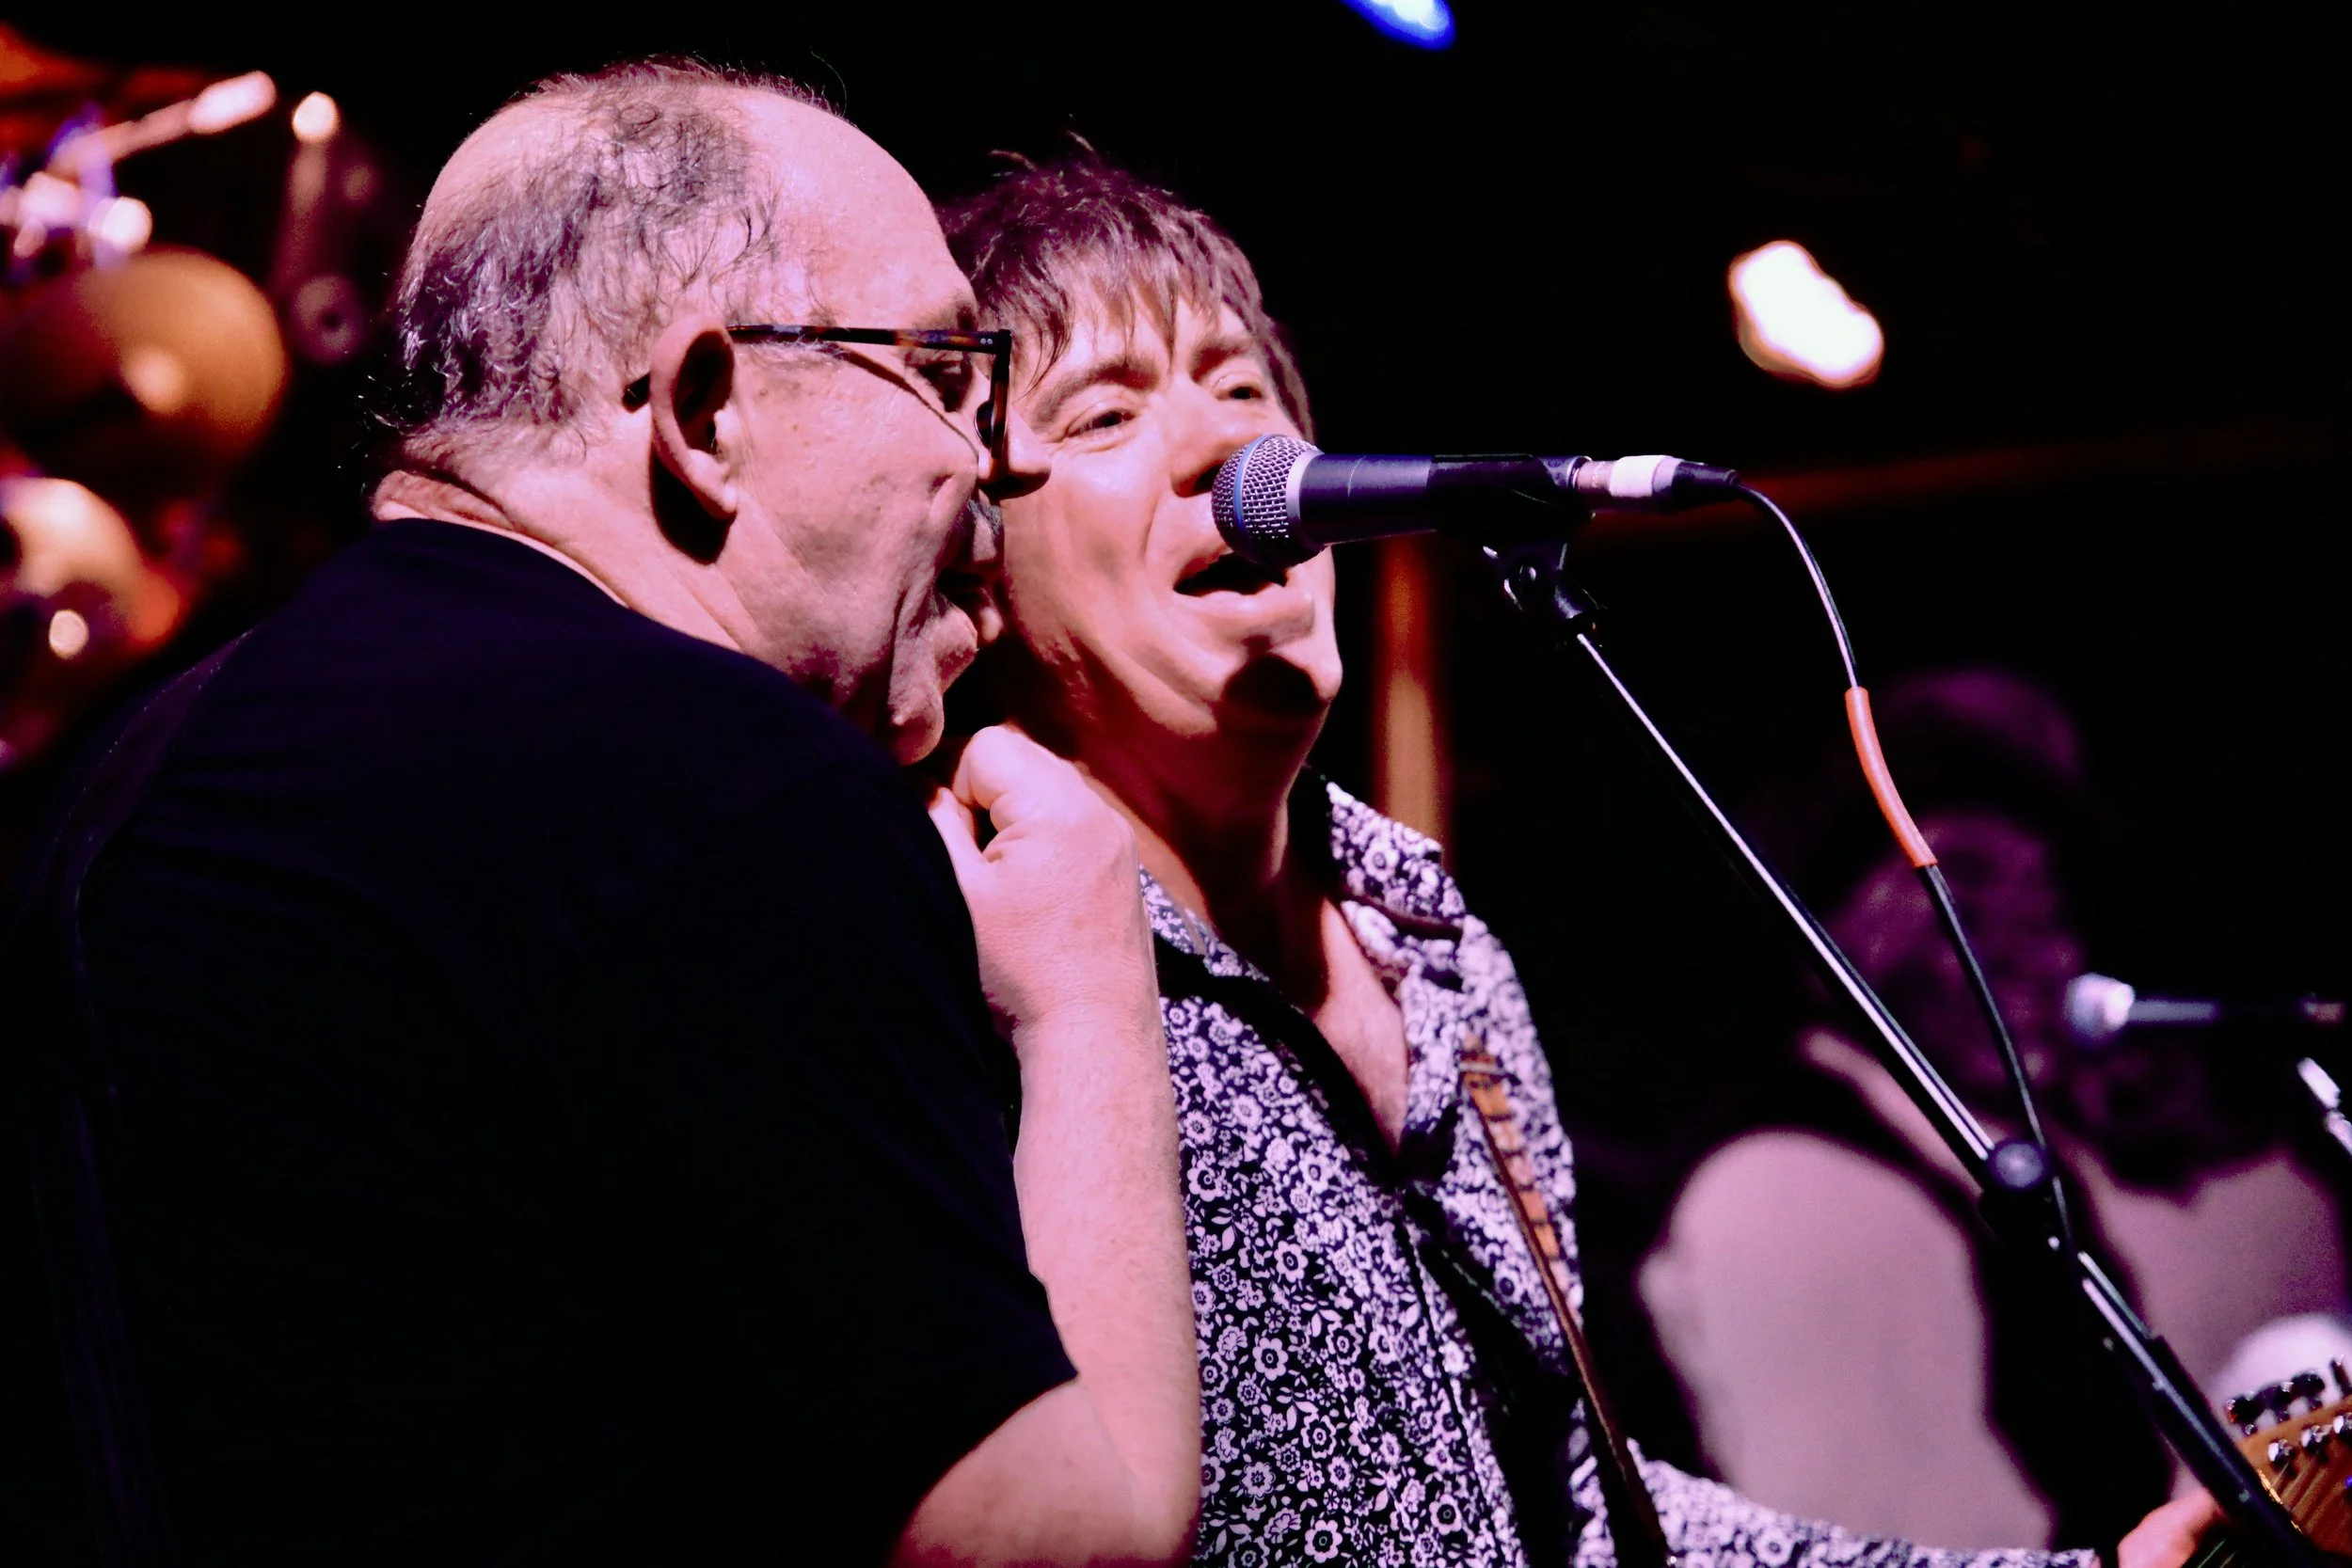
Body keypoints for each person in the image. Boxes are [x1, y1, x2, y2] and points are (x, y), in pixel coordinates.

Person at [938, 153, 2222, 1568]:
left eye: (1243, 391)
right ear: (976, 568)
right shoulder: (955, 975)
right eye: (1108, 411)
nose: (1230, 459)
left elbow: (1582, 1511)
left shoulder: (1436, 952)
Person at [1, 65, 1200, 1565]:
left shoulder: (136, 758)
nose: (992, 458)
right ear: (708, 408)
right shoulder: (729, 786)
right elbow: (1063, 1537)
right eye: (949, 372)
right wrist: (1088, 980)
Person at [1637, 669, 2349, 1549]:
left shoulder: (2080, 1148)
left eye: (2044, 884)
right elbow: (1894, 1533)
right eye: (1967, 881)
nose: (2025, 930)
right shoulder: (1785, 1190)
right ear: (1847, 926)